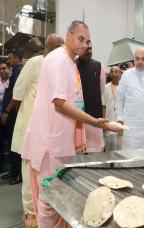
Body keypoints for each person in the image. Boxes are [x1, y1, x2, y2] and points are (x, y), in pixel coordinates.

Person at [21, 20, 122, 228]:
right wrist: (96, 122)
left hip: (61, 140)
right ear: (68, 36)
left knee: (59, 197)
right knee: (49, 198)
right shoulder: (58, 59)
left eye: (88, 41)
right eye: (80, 39)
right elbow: (60, 104)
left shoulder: (70, 61)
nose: (85, 44)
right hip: (50, 143)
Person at [11, 33, 64, 227]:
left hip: (51, 129)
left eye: (61, 47)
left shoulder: (62, 66)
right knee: (28, 168)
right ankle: (30, 213)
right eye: (54, 46)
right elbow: (18, 93)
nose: (58, 50)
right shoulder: (35, 62)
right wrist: (30, 117)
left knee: (45, 171)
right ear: (47, 47)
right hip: (31, 126)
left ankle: (44, 211)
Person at [76, 42, 106, 152]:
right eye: (86, 49)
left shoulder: (99, 66)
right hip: (78, 116)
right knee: (78, 152)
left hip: (95, 115)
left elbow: (102, 89)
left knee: (96, 151)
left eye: (90, 49)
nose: (89, 51)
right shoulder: (72, 65)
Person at [1, 50, 24, 184]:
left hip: (14, 115)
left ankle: (19, 174)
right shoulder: (14, 72)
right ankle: (14, 171)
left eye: (10, 58)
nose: (8, 61)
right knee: (11, 143)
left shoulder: (19, 72)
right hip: (11, 115)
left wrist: (7, 112)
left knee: (16, 143)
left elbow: (16, 95)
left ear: (17, 58)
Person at [102, 66, 122, 150]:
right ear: (110, 74)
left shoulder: (124, 87)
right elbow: (103, 106)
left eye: (116, 72)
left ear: (120, 73)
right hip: (109, 122)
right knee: (110, 150)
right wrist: (103, 122)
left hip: (121, 122)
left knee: (121, 149)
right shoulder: (105, 88)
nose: (114, 74)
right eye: (112, 72)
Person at [0, 62, 10, 173]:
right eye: (0, 69)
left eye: (4, 68)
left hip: (8, 116)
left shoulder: (12, 81)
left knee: (9, 141)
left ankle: (10, 166)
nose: (2, 70)